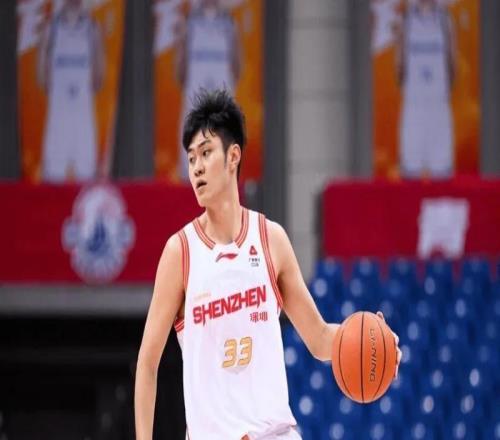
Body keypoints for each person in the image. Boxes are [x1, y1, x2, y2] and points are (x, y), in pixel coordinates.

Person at [134, 89, 402, 439]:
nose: (196, 167)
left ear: (233, 156)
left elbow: (320, 338)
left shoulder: (269, 238)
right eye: (191, 158)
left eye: (206, 153)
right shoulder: (180, 252)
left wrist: (376, 341)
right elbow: (147, 363)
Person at [37, 0, 104, 182]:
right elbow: (42, 74)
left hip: (83, 114)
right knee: (53, 175)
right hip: (58, 114)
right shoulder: (50, 28)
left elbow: (99, 75)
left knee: (86, 174)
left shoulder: (92, 28)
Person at [175, 0, 241, 180]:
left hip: (221, 96)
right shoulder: (189, 23)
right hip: (195, 96)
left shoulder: (229, 24)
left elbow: (237, 66)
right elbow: (180, 71)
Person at [396, 0, 456, 179]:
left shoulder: (445, 20)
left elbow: (452, 60)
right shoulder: (406, 20)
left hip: (438, 102)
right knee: (410, 169)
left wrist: (445, 89)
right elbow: (400, 62)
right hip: (414, 103)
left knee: (441, 171)